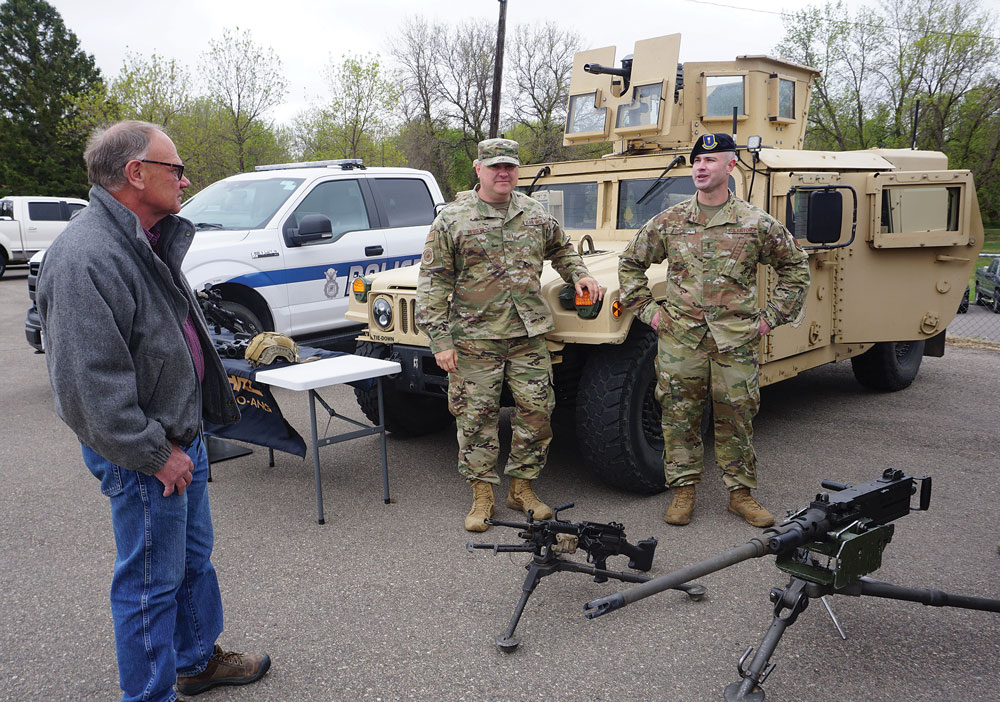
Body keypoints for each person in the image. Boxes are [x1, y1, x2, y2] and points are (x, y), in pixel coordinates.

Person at [37, 121, 271, 702]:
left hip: (178, 437)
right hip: (145, 451)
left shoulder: (146, 238)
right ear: (135, 174)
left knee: (192, 560)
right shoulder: (85, 255)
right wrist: (154, 454)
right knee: (149, 584)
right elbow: (86, 390)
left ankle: (195, 661)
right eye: (176, 168)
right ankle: (150, 695)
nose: (187, 179)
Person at [618, 133, 810, 528]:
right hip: (680, 339)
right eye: (696, 162)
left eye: (710, 160)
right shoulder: (670, 221)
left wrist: (769, 318)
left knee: (737, 415)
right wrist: (650, 313)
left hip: (735, 340)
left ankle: (740, 495)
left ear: (731, 166)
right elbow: (630, 264)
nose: (701, 167)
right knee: (678, 414)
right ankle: (683, 491)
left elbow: (796, 268)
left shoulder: (755, 223)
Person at [417, 138, 603, 532]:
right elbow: (433, 284)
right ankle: (482, 494)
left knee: (537, 411)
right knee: (476, 418)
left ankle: (522, 487)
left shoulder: (534, 213)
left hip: (527, 335)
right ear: (479, 169)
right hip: (474, 337)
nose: (504, 174)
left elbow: (563, 250)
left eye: (510, 168)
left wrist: (581, 274)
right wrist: (440, 341)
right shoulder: (452, 219)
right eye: (496, 167)